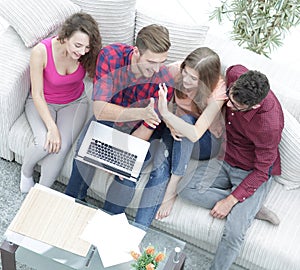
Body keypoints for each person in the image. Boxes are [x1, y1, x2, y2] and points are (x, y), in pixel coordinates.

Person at [159, 64, 284, 270]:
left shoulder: (268, 125)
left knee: (234, 232)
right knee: (185, 187)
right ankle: (250, 208)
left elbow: (262, 171)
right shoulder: (236, 74)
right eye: (230, 97)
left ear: (253, 107)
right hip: (225, 158)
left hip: (251, 172)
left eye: (235, 105)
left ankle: (243, 207)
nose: (229, 105)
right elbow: (213, 68)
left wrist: (230, 200)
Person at [65, 24, 174, 225]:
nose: (156, 69)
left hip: (137, 132)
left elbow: (146, 129)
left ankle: (106, 226)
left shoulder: (164, 81)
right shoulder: (111, 56)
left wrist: (118, 157)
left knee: (126, 180)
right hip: (109, 117)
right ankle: (71, 208)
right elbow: (100, 109)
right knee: (84, 156)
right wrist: (141, 112)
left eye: (162, 62)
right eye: (151, 61)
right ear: (136, 52)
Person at [135, 47, 227, 227]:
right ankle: (137, 230)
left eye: (193, 79)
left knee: (186, 122)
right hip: (175, 128)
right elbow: (164, 101)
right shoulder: (175, 70)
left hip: (205, 141)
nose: (185, 80)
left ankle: (173, 187)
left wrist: (167, 116)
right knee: (160, 165)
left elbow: (194, 133)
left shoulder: (218, 92)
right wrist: (169, 122)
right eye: (186, 73)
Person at [20, 12, 102, 193]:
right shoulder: (41, 52)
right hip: (41, 101)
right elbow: (37, 93)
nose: (82, 52)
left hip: (74, 103)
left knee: (61, 146)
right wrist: (51, 127)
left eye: (87, 47)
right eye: (78, 45)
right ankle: (26, 172)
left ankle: (40, 193)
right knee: (44, 143)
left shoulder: (87, 55)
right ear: (65, 36)